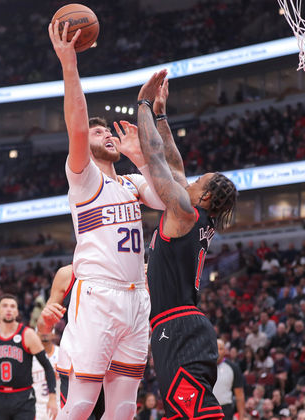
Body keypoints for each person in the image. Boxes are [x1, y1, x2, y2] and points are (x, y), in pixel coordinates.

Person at [47, 20, 167, 420]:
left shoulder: (133, 182)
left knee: (125, 409)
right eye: (98, 133)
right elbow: (77, 123)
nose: (104, 134)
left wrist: (142, 152)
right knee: (81, 404)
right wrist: (69, 64)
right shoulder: (84, 178)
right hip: (97, 295)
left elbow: (169, 200)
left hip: (137, 297)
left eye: (107, 131)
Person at [137, 70, 238, 419]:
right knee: (180, 413)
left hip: (176, 325)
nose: (191, 180)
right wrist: (162, 116)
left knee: (195, 414)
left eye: (199, 181)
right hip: (184, 324)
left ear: (206, 195)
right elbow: (176, 165)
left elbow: (157, 160)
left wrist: (143, 106)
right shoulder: (194, 216)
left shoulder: (184, 213)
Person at [38, 265, 105, 419]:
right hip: (78, 364)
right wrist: (46, 320)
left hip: (115, 363)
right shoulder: (68, 273)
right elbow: (43, 327)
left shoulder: (126, 267)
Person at [213, 340, 246, 420]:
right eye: (216, 348)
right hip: (207, 408)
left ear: (225, 351)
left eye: (220, 349)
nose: (218, 351)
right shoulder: (204, 367)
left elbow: (239, 396)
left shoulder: (233, 367)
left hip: (225, 410)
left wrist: (241, 417)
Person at [32, 330, 60, 420]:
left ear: (54, 334)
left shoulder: (62, 353)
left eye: (48, 329)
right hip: (36, 406)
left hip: (57, 404)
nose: (45, 332)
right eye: (41, 330)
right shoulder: (29, 356)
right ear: (36, 334)